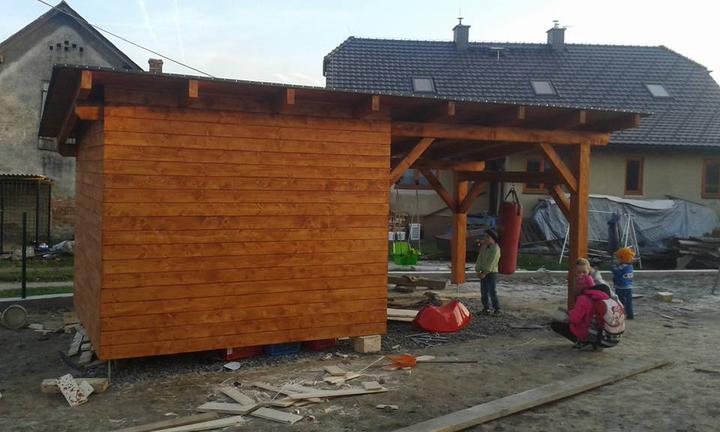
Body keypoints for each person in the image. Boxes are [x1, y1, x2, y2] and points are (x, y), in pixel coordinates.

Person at [551, 283, 611, 348]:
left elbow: (575, 319)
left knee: (555, 325)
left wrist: (567, 315)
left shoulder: (584, 298)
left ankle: (583, 341)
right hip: (606, 336)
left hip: (586, 332)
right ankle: (594, 343)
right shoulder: (607, 301)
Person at [475, 229, 501, 315]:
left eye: (487, 237)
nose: (485, 239)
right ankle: (486, 308)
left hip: (491, 273)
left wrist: (485, 273)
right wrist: (478, 270)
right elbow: (480, 258)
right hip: (483, 272)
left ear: (493, 238)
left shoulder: (496, 249)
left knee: (492, 291)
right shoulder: (484, 247)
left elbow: (492, 262)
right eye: (485, 237)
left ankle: (497, 309)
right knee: (483, 291)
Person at [612, 247, 635, 319]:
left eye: (617, 258)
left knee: (620, 301)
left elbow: (616, 272)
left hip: (621, 287)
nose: (616, 260)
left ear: (622, 258)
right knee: (628, 302)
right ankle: (630, 314)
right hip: (629, 287)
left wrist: (613, 266)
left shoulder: (622, 267)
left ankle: (621, 314)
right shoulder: (630, 266)